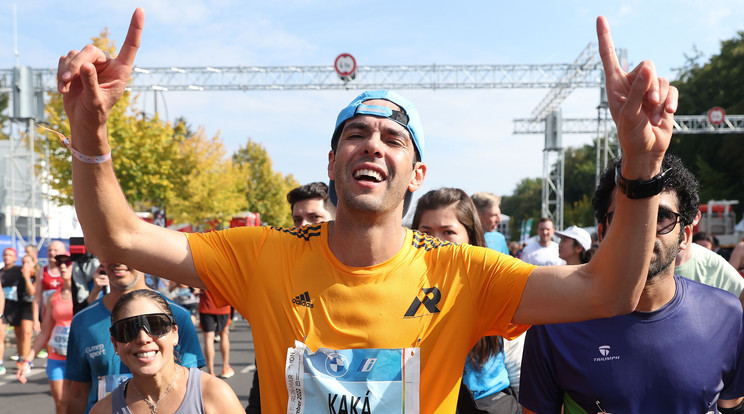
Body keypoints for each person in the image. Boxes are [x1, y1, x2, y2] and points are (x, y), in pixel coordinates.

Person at [59, 10, 678, 412]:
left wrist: (640, 168)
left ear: (417, 174)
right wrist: (89, 134)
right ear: (333, 163)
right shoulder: (262, 256)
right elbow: (116, 236)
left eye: (393, 138)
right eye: (356, 134)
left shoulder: (463, 273)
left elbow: (609, 291)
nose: (373, 145)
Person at [519, 155, 744, 413]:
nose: (645, 229)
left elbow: (731, 406)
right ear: (602, 233)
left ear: (685, 236)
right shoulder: (554, 324)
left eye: (662, 216)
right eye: (628, 215)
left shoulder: (726, 314)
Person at [412, 187, 520, 413]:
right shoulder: (400, 289)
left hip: (490, 403)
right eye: (426, 232)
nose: (435, 242)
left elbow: (515, 355)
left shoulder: (491, 284)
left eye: (448, 232)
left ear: (470, 236)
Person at [62, 262, 205, 414]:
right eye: (111, 254)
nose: (143, 338)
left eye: (154, 326)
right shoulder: (82, 321)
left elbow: (192, 389)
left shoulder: (177, 316)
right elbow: (77, 393)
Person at [246, 181, 338, 413]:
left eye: (315, 217)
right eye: (297, 219)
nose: (303, 226)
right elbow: (265, 370)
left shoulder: (359, 274)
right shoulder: (276, 277)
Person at [89, 289, 242, 414]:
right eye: (128, 329)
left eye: (155, 325)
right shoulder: (103, 410)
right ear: (115, 344)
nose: (143, 338)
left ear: (174, 333)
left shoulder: (213, 395)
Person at [17, 254, 75, 413]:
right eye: (60, 264)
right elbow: (45, 332)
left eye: (67, 263)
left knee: (77, 404)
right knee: (61, 403)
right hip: (56, 358)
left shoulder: (85, 295)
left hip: (77, 359)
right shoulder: (53, 297)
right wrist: (27, 361)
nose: (63, 267)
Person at [1, 248, 36, 374]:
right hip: (13, 307)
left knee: (26, 334)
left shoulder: (29, 273)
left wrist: (27, 276)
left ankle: (26, 361)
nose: (24, 265)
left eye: (27, 262)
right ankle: (21, 358)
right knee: (18, 334)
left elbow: (33, 292)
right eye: (23, 262)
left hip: (28, 306)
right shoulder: (7, 272)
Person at [198, 288, 234, 379]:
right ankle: (225, 368)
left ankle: (210, 372)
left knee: (208, 338)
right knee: (224, 335)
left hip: (206, 305)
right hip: (223, 306)